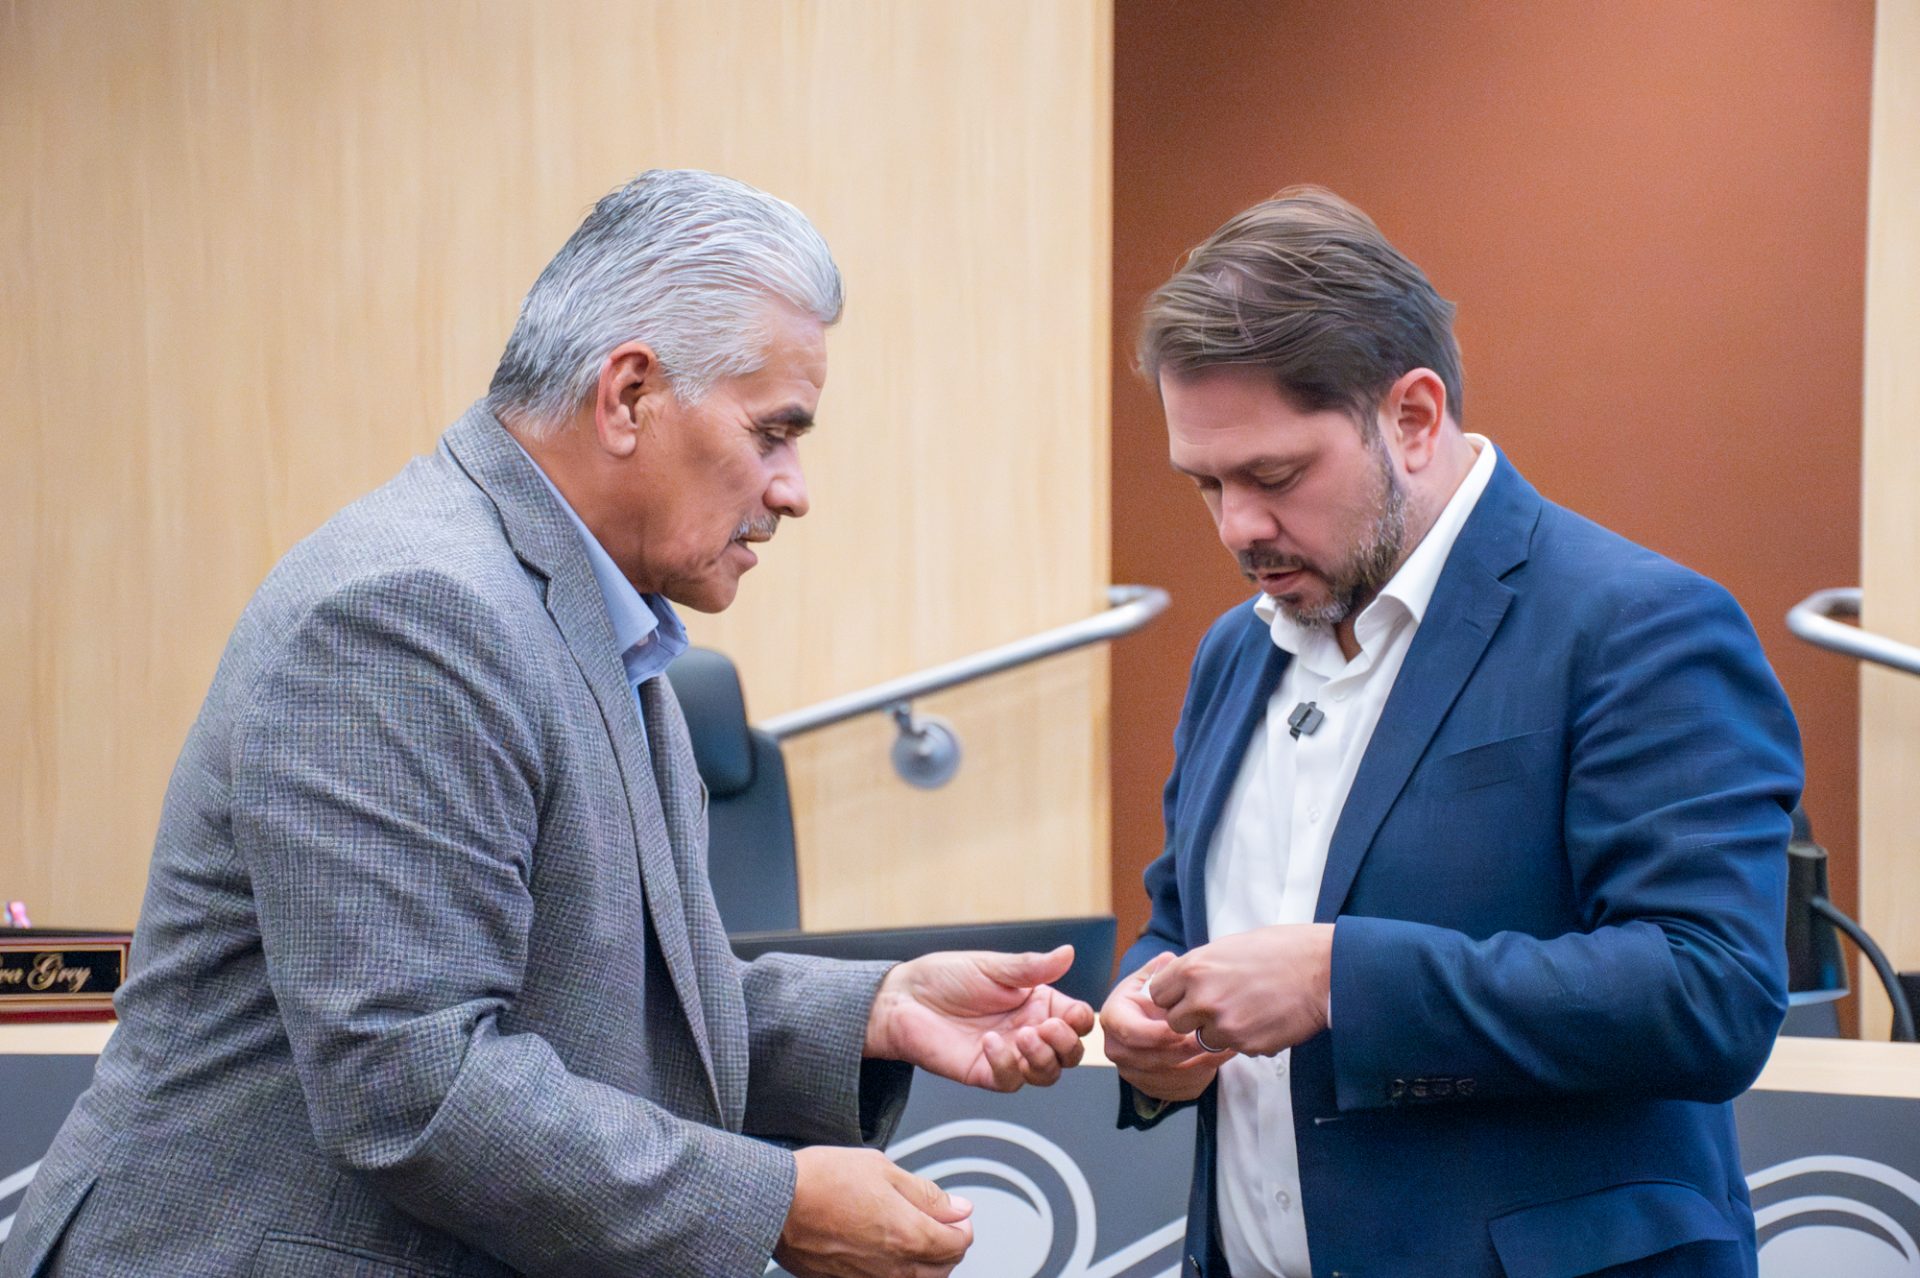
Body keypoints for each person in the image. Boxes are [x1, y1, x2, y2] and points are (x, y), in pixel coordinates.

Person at [0, 169, 1095, 1278]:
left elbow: (591, 1001)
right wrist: (776, 1203)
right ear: (627, 396)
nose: (794, 488)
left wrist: (877, 1009)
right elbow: (415, 1083)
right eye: (773, 433)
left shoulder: (585, 613)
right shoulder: (414, 611)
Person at [1099, 187, 1801, 1278]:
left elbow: (1711, 992)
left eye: (1275, 476)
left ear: (1414, 418)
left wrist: (1341, 982)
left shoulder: (1636, 624)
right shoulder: (1236, 651)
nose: (1238, 526)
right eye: (1207, 485)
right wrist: (1151, 1017)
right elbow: (1186, 923)